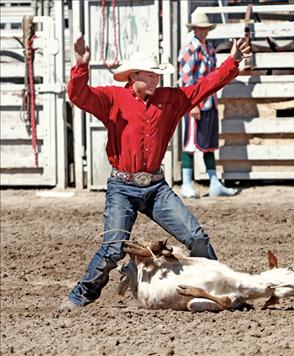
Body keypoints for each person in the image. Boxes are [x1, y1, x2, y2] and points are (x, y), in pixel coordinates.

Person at [60, 33, 251, 311]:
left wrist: (232, 60)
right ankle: (81, 296)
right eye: (151, 75)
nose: (156, 79)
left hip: (156, 187)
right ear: (133, 76)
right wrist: (80, 67)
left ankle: (220, 286)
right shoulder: (112, 99)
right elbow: (79, 95)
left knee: (196, 237)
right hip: (122, 187)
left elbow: (204, 87)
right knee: (113, 247)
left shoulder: (171, 99)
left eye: (157, 75)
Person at [178, 11, 239, 198]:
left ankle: (214, 182)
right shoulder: (189, 49)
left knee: (209, 143)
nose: (203, 31)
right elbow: (185, 78)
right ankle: (186, 183)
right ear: (195, 29)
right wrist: (192, 103)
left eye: (205, 28)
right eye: (200, 28)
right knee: (190, 143)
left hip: (210, 101)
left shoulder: (209, 48)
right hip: (196, 102)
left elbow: (214, 74)